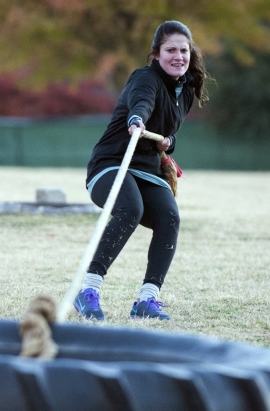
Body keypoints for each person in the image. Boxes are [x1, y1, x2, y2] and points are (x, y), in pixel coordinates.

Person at [74, 20, 210, 321]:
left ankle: (146, 302)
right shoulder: (145, 79)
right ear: (156, 54)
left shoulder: (186, 90)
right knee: (130, 208)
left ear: (191, 54)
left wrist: (169, 142)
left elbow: (170, 133)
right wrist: (136, 120)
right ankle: (87, 292)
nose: (178, 56)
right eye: (170, 50)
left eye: (183, 50)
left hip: (148, 169)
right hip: (111, 164)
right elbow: (142, 103)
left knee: (170, 217)